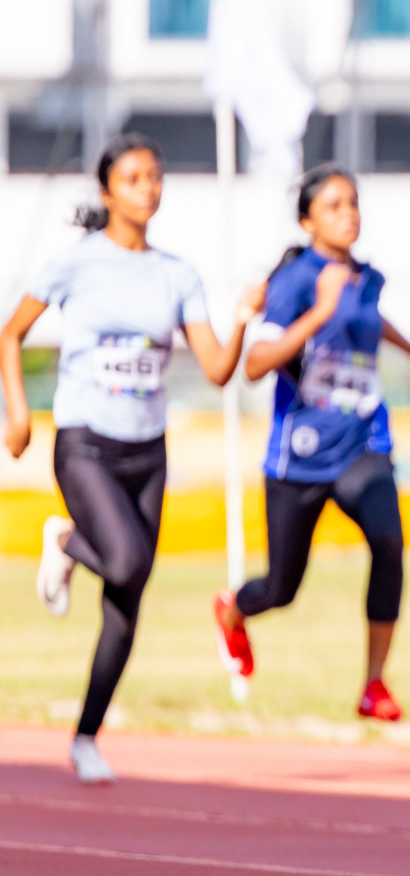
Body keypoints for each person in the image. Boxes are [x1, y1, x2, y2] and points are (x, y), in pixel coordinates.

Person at [0, 134, 264, 784]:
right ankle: (64, 539)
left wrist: (243, 319)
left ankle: (86, 737)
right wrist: (17, 412)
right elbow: (10, 333)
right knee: (124, 558)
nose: (148, 188)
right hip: (86, 441)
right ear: (107, 191)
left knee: (127, 599)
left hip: (147, 452)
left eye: (155, 176)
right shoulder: (76, 264)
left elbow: (218, 370)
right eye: (133, 178)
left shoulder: (178, 274)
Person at [212, 165, 410, 722]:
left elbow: (375, 324)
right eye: (334, 205)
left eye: (353, 202)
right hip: (301, 454)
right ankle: (234, 611)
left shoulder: (365, 278)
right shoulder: (292, 281)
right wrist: (318, 310)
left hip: (363, 441)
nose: (349, 213)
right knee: (282, 589)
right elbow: (256, 365)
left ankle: (374, 685)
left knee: (389, 542)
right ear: (307, 220)